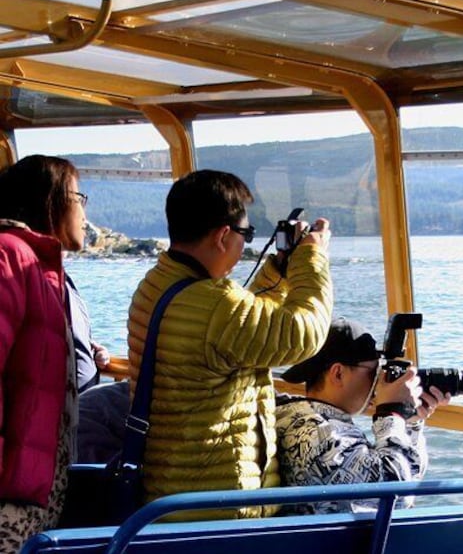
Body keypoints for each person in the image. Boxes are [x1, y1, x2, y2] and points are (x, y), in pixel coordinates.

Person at [126, 169, 332, 518]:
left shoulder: (158, 284)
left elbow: (235, 328)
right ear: (223, 235)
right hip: (218, 509)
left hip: (169, 496)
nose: (244, 244)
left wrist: (276, 273)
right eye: (246, 233)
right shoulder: (215, 305)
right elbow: (304, 332)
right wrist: (311, 258)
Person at [276, 317, 450, 514]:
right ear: (338, 374)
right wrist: (391, 411)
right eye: (374, 373)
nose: (379, 383)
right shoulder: (319, 434)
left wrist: (409, 422)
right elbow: (397, 495)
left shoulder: (305, 418)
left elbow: (408, 476)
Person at [0, 155, 84, 551]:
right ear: (50, 201)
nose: (84, 211)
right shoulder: (10, 256)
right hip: (11, 492)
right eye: (78, 197)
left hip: (31, 484)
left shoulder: (39, 264)